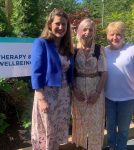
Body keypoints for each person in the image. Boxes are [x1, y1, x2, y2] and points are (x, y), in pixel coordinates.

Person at [31, 8, 74, 150]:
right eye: (57, 23)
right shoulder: (41, 43)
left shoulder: (66, 47)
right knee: (47, 131)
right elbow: (36, 72)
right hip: (48, 95)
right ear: (50, 24)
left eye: (64, 24)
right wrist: (41, 98)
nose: (61, 27)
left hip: (64, 95)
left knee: (57, 132)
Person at [71, 18, 107, 150]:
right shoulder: (73, 50)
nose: (87, 32)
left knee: (95, 123)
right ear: (79, 31)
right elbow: (71, 72)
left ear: (94, 32)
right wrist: (74, 89)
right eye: (84, 29)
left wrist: (97, 93)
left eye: (90, 29)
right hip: (78, 92)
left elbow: (104, 73)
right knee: (79, 122)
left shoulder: (99, 49)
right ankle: (81, 147)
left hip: (96, 91)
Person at [105, 21, 134, 150]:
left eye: (118, 34)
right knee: (110, 127)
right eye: (112, 34)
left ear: (123, 36)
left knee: (123, 129)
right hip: (108, 97)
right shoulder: (104, 51)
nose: (115, 37)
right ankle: (111, 147)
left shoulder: (131, 49)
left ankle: (121, 148)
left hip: (127, 98)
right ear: (107, 36)